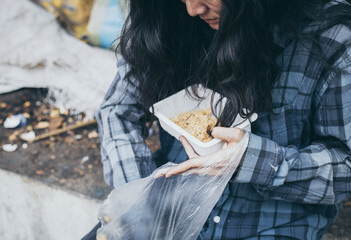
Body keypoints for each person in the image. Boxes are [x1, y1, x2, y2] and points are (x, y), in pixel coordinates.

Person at [83, 0, 351, 239]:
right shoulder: (168, 17)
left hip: (267, 226)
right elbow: (117, 110)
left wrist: (256, 162)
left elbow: (345, 168)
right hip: (170, 208)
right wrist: (139, 201)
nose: (192, 9)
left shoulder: (330, 39)